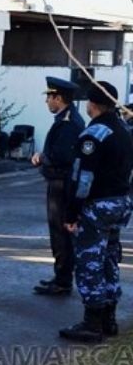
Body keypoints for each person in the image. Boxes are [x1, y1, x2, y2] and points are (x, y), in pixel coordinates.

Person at [59, 81, 133, 343]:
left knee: (90, 261)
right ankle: (108, 318)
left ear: (92, 104)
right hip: (119, 203)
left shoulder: (94, 134)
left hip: (97, 205)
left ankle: (92, 323)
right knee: (110, 258)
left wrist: (71, 213)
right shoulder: (124, 129)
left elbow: (83, 178)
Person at [31, 77, 85, 296]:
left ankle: (63, 280)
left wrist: (41, 157)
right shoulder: (65, 118)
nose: (47, 102)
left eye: (49, 97)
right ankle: (60, 275)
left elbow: (62, 155)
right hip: (59, 181)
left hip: (62, 183)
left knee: (61, 232)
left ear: (58, 98)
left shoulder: (69, 122)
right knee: (59, 232)